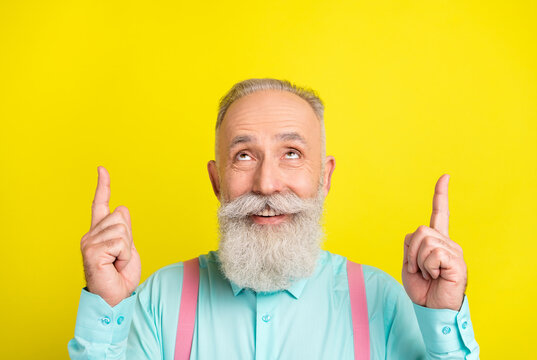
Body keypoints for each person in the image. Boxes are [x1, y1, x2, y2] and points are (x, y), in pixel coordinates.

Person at [68, 78, 480, 359]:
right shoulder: (160, 299)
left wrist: (442, 317)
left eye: (292, 154)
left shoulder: (382, 301)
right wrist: (106, 308)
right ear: (217, 180)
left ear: (325, 177)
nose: (266, 184)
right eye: (244, 156)